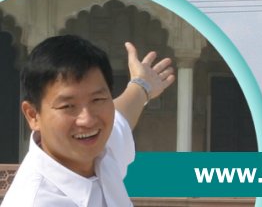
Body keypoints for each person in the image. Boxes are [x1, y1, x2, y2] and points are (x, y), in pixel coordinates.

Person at [2, 35, 176, 206]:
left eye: (97, 100)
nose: (87, 120)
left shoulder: (102, 151)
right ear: (33, 115)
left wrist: (142, 85)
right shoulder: (35, 200)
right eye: (68, 106)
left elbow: (123, 113)